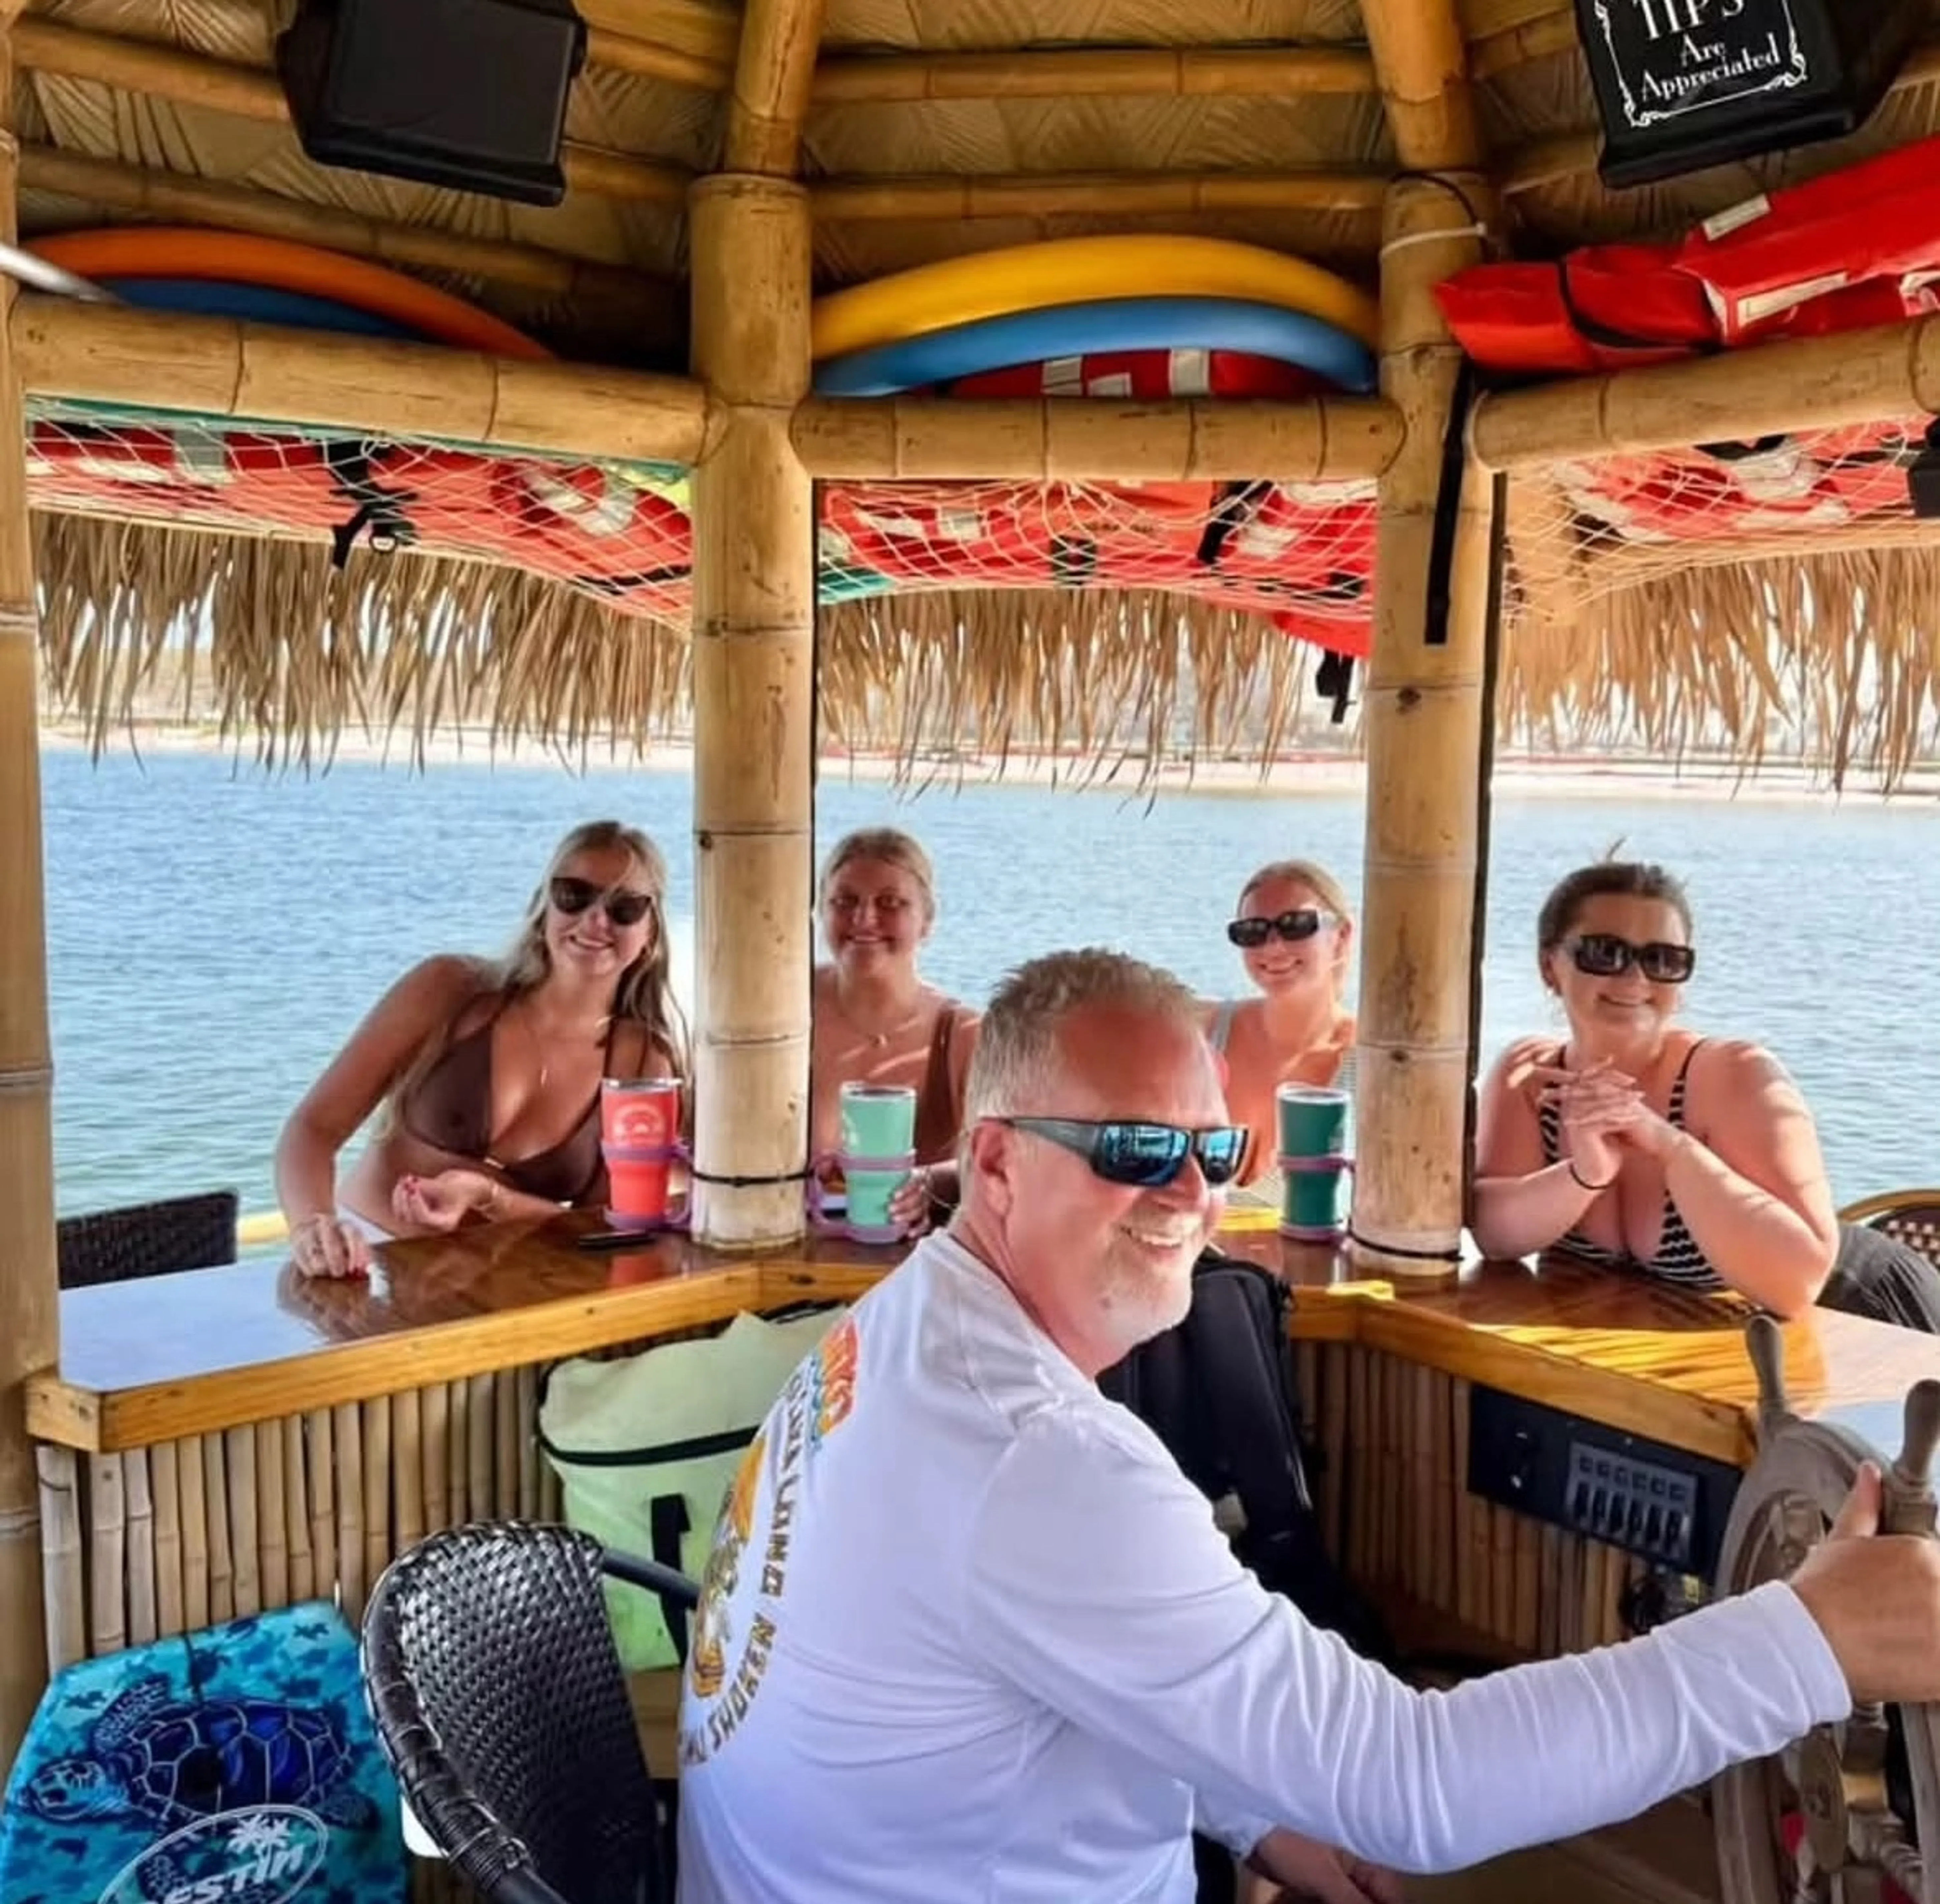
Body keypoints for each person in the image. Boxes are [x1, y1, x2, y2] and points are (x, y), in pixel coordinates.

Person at [674, 946, 1940, 1904]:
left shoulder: (904, 1332)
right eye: (1130, 1146)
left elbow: (1038, 1665)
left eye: (1213, 1148)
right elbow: (1413, 1782)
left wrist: (1248, 1798)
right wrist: (1811, 1637)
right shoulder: (1035, 1456)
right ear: (995, 1164)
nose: (1189, 1193)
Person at [1473, 859, 1940, 1331]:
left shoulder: (1735, 1076)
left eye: (1662, 960)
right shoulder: (1533, 1076)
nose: (1635, 980)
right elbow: (1495, 1239)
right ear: (1549, 965)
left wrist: (1667, 1145)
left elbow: (1797, 1286)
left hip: (1867, 1312)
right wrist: (1584, 1174)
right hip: (1699, 1341)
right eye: (1604, 952)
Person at [276, 820, 687, 1279]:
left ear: (650, 932)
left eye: (625, 907)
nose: (596, 919)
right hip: (366, 1265)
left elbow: (602, 1233)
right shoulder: (450, 990)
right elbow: (313, 1129)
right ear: (543, 906)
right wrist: (312, 1227)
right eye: (574, 894)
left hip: (500, 1292)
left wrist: (491, 1198)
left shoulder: (641, 1061)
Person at [811, 826, 977, 1183]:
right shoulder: (780, 1019)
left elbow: (999, 1161)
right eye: (845, 901)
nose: (864, 918)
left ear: (927, 920)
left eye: (890, 903)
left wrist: (923, 1182)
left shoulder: (962, 1035)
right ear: (819, 912)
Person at [1202, 858, 1357, 1183]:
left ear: (1341, 936)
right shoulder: (1204, 1036)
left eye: (1296, 925)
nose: (1273, 946)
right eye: (1253, 931)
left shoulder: (1373, 1062)